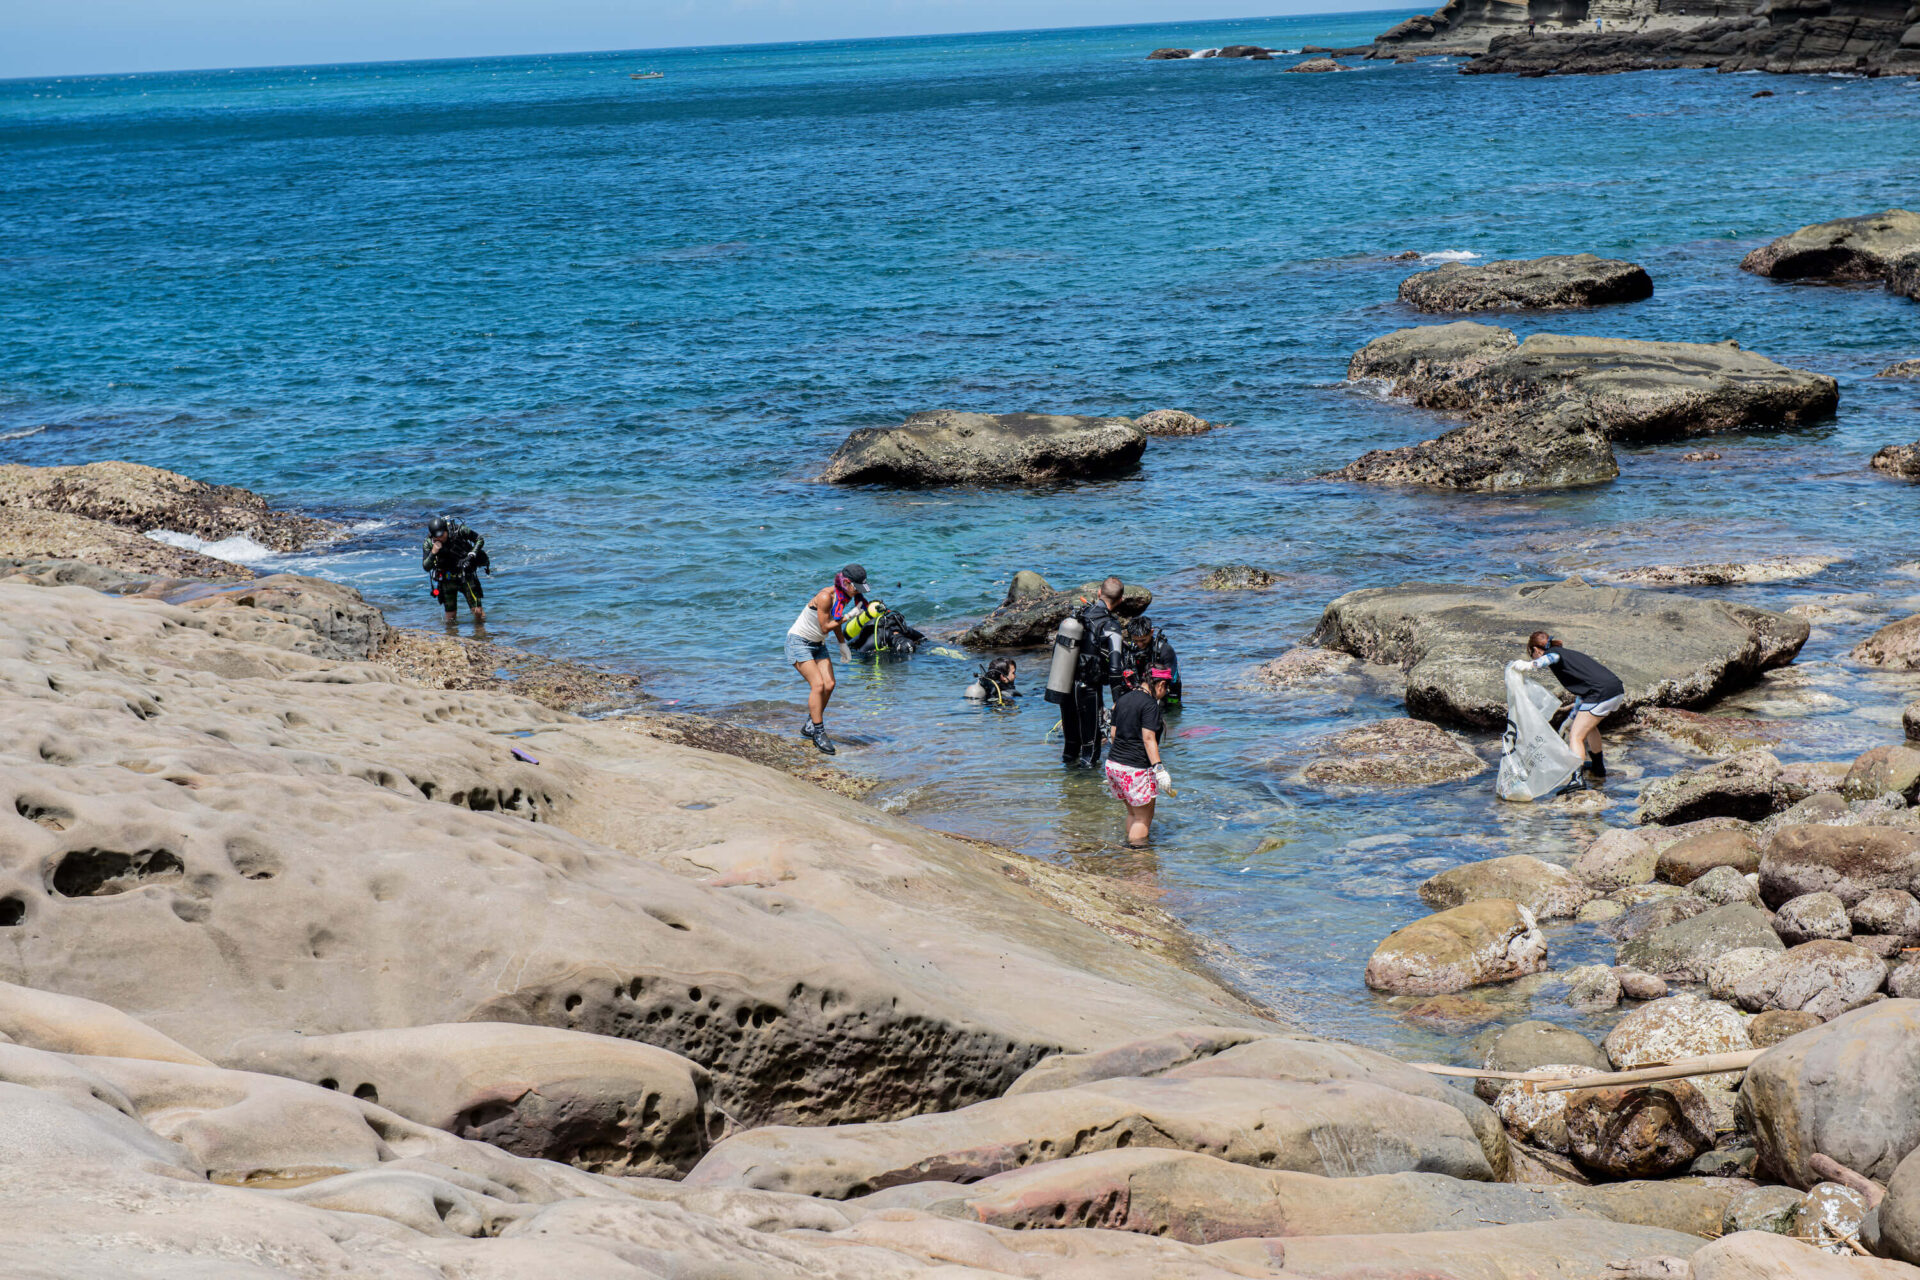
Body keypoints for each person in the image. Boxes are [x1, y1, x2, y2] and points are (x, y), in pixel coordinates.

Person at [1511, 630, 1624, 780]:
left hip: (1600, 693)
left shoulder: (1555, 653)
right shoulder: (1569, 655)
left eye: (1531, 654)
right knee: (1589, 728)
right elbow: (1583, 696)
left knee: (1575, 736)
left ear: (1535, 650)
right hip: (1615, 690)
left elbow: (1550, 658)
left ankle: (1576, 780)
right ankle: (1598, 767)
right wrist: (1570, 719)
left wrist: (1529, 665)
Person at [786, 564, 867, 754]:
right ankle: (819, 733)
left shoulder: (844, 596)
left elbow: (834, 620)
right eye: (857, 587)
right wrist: (850, 616)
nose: (859, 592)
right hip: (798, 643)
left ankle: (810, 725)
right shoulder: (825, 597)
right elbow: (825, 626)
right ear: (847, 583)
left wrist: (842, 644)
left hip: (817, 645)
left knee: (830, 684)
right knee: (818, 686)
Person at [1062, 577, 1128, 766]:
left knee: (1070, 745)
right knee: (1090, 747)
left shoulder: (1080, 615)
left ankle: (1067, 789)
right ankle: (1088, 793)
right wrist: (1118, 701)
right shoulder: (1111, 625)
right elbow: (1115, 668)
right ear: (1120, 600)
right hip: (1088, 691)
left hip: (1066, 685)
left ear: (1099, 593)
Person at [1105, 667, 1174, 846]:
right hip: (1134, 769)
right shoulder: (1150, 705)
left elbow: (1113, 735)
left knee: (1133, 814)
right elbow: (1148, 738)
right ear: (1162, 685)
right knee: (1143, 818)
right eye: (1166, 689)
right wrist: (1159, 769)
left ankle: (1127, 854)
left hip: (1114, 765)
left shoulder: (1122, 699)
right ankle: (1138, 863)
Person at [422, 515, 489, 625]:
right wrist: (433, 552)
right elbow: (426, 567)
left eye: (441, 535)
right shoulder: (429, 543)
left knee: (477, 611)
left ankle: (481, 632)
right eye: (436, 537)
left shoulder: (459, 531)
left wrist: (471, 555)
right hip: (446, 579)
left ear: (446, 530)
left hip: (465, 575)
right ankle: (452, 634)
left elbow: (479, 539)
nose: (439, 539)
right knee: (450, 616)